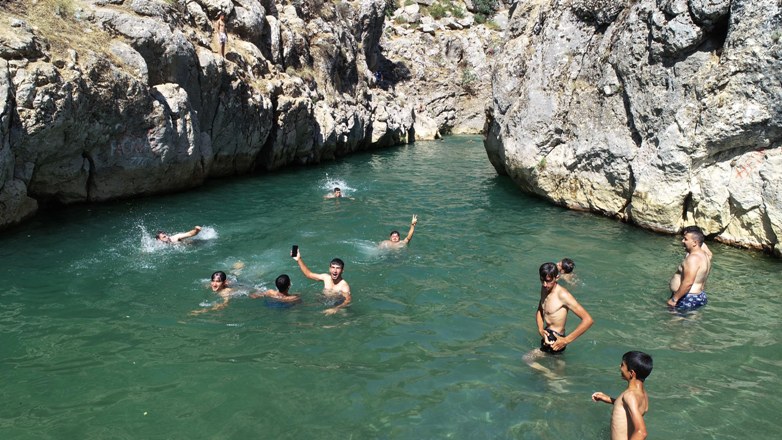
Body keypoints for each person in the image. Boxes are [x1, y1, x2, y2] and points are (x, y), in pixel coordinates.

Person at [533, 262, 593, 355]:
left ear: (557, 277)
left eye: (549, 281)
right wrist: (541, 330)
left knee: (527, 360)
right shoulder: (544, 288)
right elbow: (540, 310)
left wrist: (566, 340)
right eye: (542, 280)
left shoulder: (563, 295)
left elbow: (588, 320)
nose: (545, 284)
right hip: (547, 335)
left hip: (557, 341)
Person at [591, 351, 653, 440]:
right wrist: (609, 399)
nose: (620, 367)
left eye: (622, 365)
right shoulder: (643, 394)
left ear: (632, 373)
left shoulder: (630, 395)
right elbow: (627, 408)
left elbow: (641, 432)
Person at [293, 248, 351, 315]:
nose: (335, 271)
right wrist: (298, 259)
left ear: (342, 271)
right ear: (329, 269)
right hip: (322, 301)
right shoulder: (326, 277)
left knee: (344, 313)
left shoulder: (344, 286)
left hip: (336, 305)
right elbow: (308, 274)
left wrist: (335, 309)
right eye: (333, 267)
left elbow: (347, 301)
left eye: (338, 268)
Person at [668, 225, 712, 309]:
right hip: (698, 296)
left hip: (687, 298)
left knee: (672, 322)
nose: (682, 241)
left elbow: (688, 282)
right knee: (690, 321)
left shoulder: (693, 259)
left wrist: (674, 299)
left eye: (686, 239)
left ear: (695, 242)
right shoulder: (704, 255)